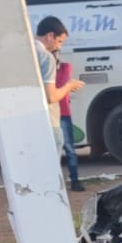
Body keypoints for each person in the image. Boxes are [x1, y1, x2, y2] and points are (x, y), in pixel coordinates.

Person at [34, 16, 84, 161]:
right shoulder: (45, 57)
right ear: (50, 36)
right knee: (49, 165)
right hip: (48, 121)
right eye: (60, 41)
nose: (59, 47)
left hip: (29, 123)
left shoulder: (24, 52)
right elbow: (51, 97)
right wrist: (69, 86)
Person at [54, 54, 84, 191]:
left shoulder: (65, 67)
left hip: (63, 113)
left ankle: (75, 179)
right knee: (55, 149)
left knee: (69, 148)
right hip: (52, 113)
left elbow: (60, 84)